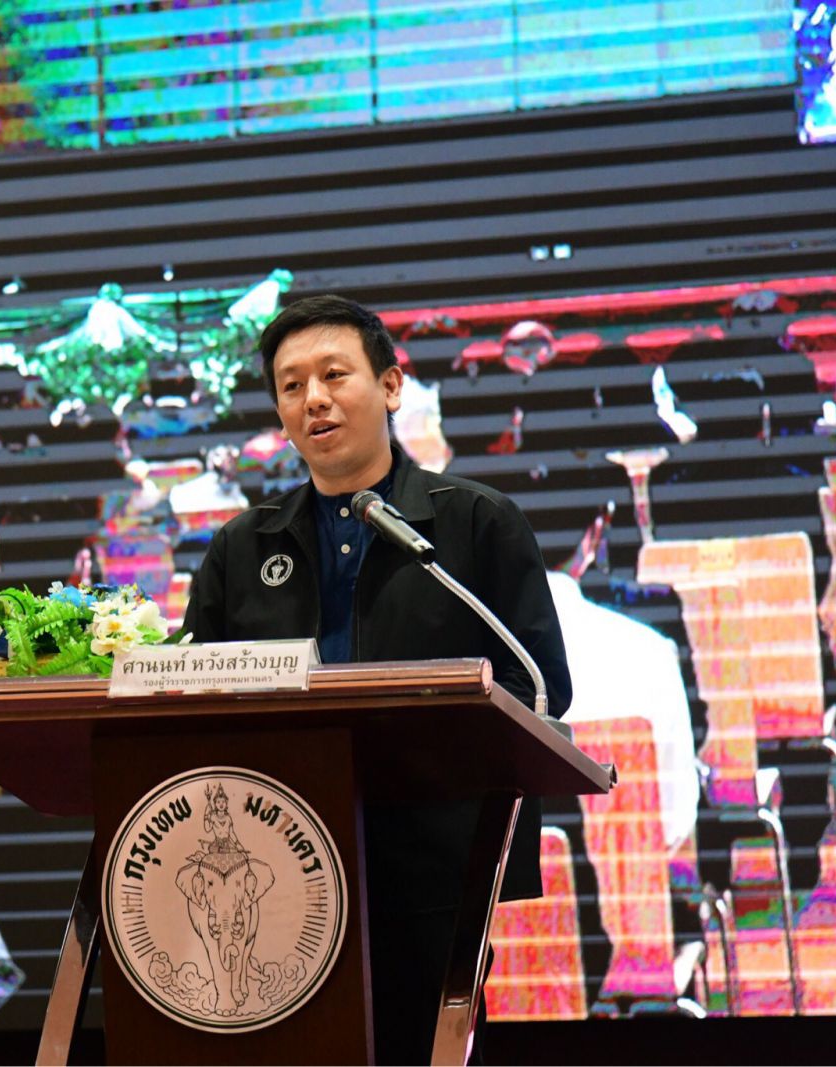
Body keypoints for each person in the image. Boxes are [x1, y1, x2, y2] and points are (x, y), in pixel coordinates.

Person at [181, 294, 573, 1062]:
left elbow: (539, 685)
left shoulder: (474, 523)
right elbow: (189, 693)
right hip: (273, 871)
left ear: (391, 386)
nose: (314, 399)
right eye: (292, 385)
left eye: (334, 375)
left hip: (431, 867)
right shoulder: (241, 547)